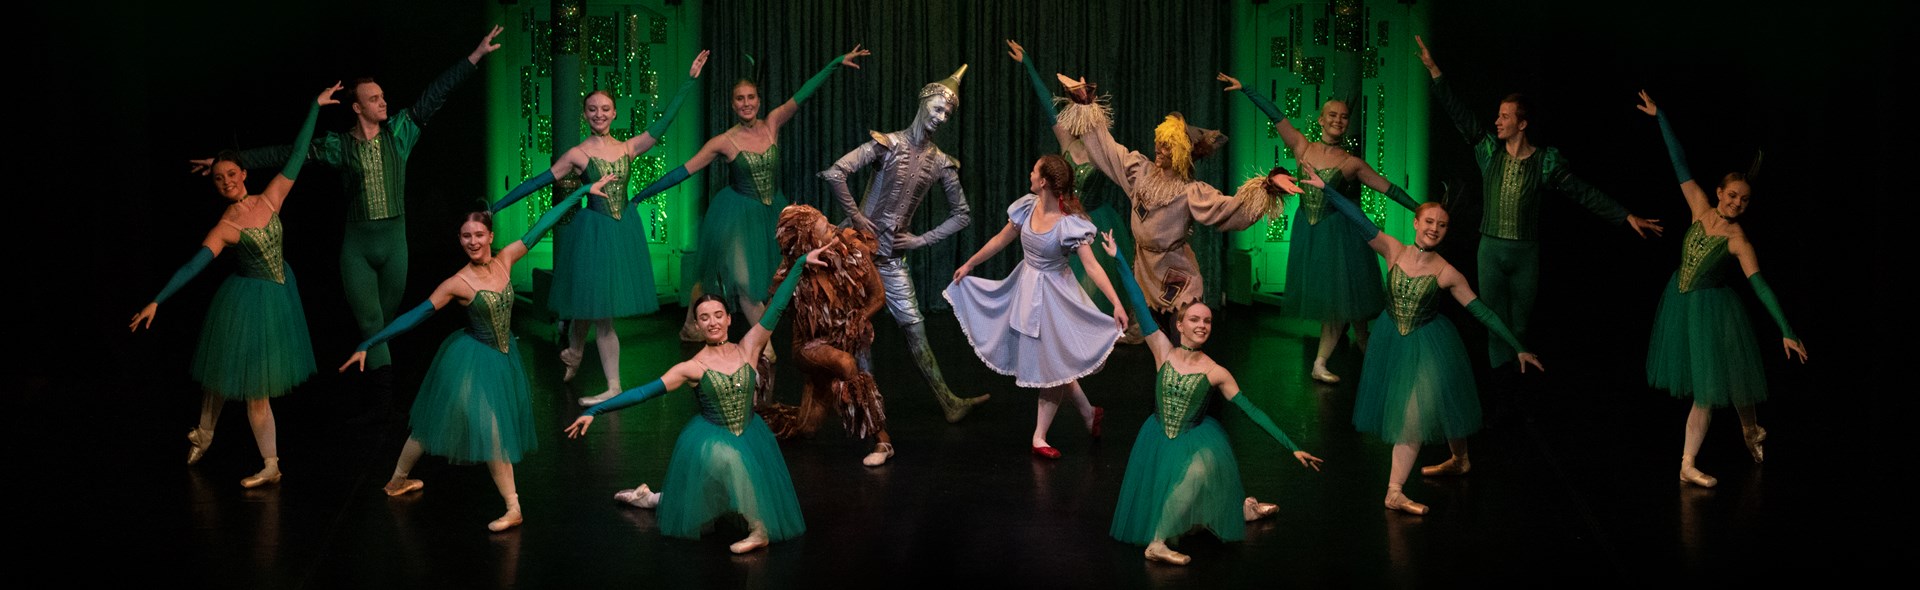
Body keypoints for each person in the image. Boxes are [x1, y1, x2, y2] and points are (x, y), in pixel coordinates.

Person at [193, 26, 505, 414]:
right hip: (358, 248)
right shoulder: (338, 146)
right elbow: (290, 153)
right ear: (357, 108)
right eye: (374, 99)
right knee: (371, 324)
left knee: (384, 324)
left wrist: (474, 57)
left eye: (383, 96)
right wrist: (233, 162)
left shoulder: (401, 132)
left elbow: (435, 93)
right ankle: (385, 405)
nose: (383, 102)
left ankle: (380, 397)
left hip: (394, 244)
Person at [340, 176, 612, 532]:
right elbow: (416, 315)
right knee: (467, 428)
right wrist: (370, 342)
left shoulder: (506, 259)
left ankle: (399, 480)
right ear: (460, 240)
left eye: (479, 235)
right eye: (466, 236)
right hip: (471, 360)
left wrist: (581, 192)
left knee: (450, 425)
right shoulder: (457, 282)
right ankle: (508, 506)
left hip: (502, 358)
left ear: (490, 236)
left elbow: (542, 224)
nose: (473, 241)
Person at [565, 239, 836, 553]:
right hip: (711, 440)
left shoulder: (748, 348)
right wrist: (595, 411)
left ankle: (649, 497)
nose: (713, 322)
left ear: (729, 318)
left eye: (718, 315)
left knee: (707, 501)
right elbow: (642, 392)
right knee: (728, 462)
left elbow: (775, 308)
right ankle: (759, 529)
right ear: (697, 324)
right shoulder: (691, 368)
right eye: (704, 317)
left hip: (749, 433)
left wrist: (800, 263)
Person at [1303, 168, 1542, 515]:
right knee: (1442, 402)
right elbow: (1358, 218)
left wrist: (1517, 345)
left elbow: (1483, 312)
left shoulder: (1447, 272)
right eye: (1429, 221)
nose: (1434, 228)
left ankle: (1395, 491)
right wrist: (1327, 190)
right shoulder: (1393, 250)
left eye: (1442, 225)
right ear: (1416, 222)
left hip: (1431, 344)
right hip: (1393, 339)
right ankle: (1460, 460)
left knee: (1415, 413)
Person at [132, 83, 336, 487]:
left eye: (230, 174)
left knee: (242, 382)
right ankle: (253, 455)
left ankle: (241, 450)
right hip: (248, 302)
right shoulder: (225, 226)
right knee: (232, 378)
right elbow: (193, 265)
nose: (226, 182)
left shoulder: (271, 197)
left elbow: (297, 154)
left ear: (243, 173)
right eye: (218, 179)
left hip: (278, 297)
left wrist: (314, 106)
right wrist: (157, 300)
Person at [487, 51, 709, 405]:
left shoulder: (629, 147)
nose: (599, 114)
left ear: (615, 112)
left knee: (594, 304)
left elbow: (664, 123)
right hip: (593, 233)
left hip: (621, 233)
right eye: (592, 109)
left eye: (605, 109)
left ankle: (580, 356)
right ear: (585, 114)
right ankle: (607, 379)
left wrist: (690, 80)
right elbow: (538, 181)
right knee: (596, 307)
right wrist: (496, 206)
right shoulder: (577, 154)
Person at [1104, 225, 1326, 565]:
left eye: (1207, 321)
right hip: (1159, 437)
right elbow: (1138, 300)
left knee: (1198, 475)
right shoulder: (1163, 350)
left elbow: (1251, 409)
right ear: (1180, 325)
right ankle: (1242, 509)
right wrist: (1118, 257)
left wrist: (1292, 446)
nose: (1201, 326)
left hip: (1193, 439)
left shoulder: (1215, 371)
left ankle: (1158, 543)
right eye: (1194, 320)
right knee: (1190, 518)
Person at [1634, 91, 1807, 487]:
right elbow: (1679, 162)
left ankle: (1698, 458)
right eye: (1732, 196)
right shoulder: (1698, 206)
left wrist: (1786, 329)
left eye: (1744, 200)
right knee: (1718, 380)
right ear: (1719, 192)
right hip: (1682, 304)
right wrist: (1661, 117)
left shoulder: (1738, 240)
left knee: (1721, 381)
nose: (1737, 203)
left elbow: (1760, 286)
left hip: (1715, 309)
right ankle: (1742, 435)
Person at [1218, 72, 1424, 383]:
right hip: (1311, 231)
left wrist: (1420, 208)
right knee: (1342, 297)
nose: (1338, 120)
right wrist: (1247, 89)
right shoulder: (1302, 147)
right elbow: (1277, 116)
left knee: (1341, 298)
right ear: (1321, 119)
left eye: (1344, 116)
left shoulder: (1352, 163)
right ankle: (1360, 344)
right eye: (1333, 115)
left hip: (1341, 234)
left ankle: (1324, 361)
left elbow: (1387, 187)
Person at [820, 64, 991, 423]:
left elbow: (962, 214)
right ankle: (868, 408)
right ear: (923, 102)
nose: (941, 117)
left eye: (947, 114)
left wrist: (920, 240)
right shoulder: (887, 144)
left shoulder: (940, 162)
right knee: (860, 332)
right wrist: (856, 217)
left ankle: (948, 402)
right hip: (857, 254)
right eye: (937, 108)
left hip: (893, 259)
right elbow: (836, 172)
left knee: (915, 326)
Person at [946, 155, 1127, 459]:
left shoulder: (1069, 223)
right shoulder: (1027, 207)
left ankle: (1039, 436)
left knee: (1051, 365)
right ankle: (1088, 412)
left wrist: (1117, 303)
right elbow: (1000, 239)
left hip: (1056, 298)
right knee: (1053, 361)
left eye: (1034, 171)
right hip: (1026, 289)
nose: (1030, 174)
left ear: (1043, 181)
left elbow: (1093, 267)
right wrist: (970, 264)